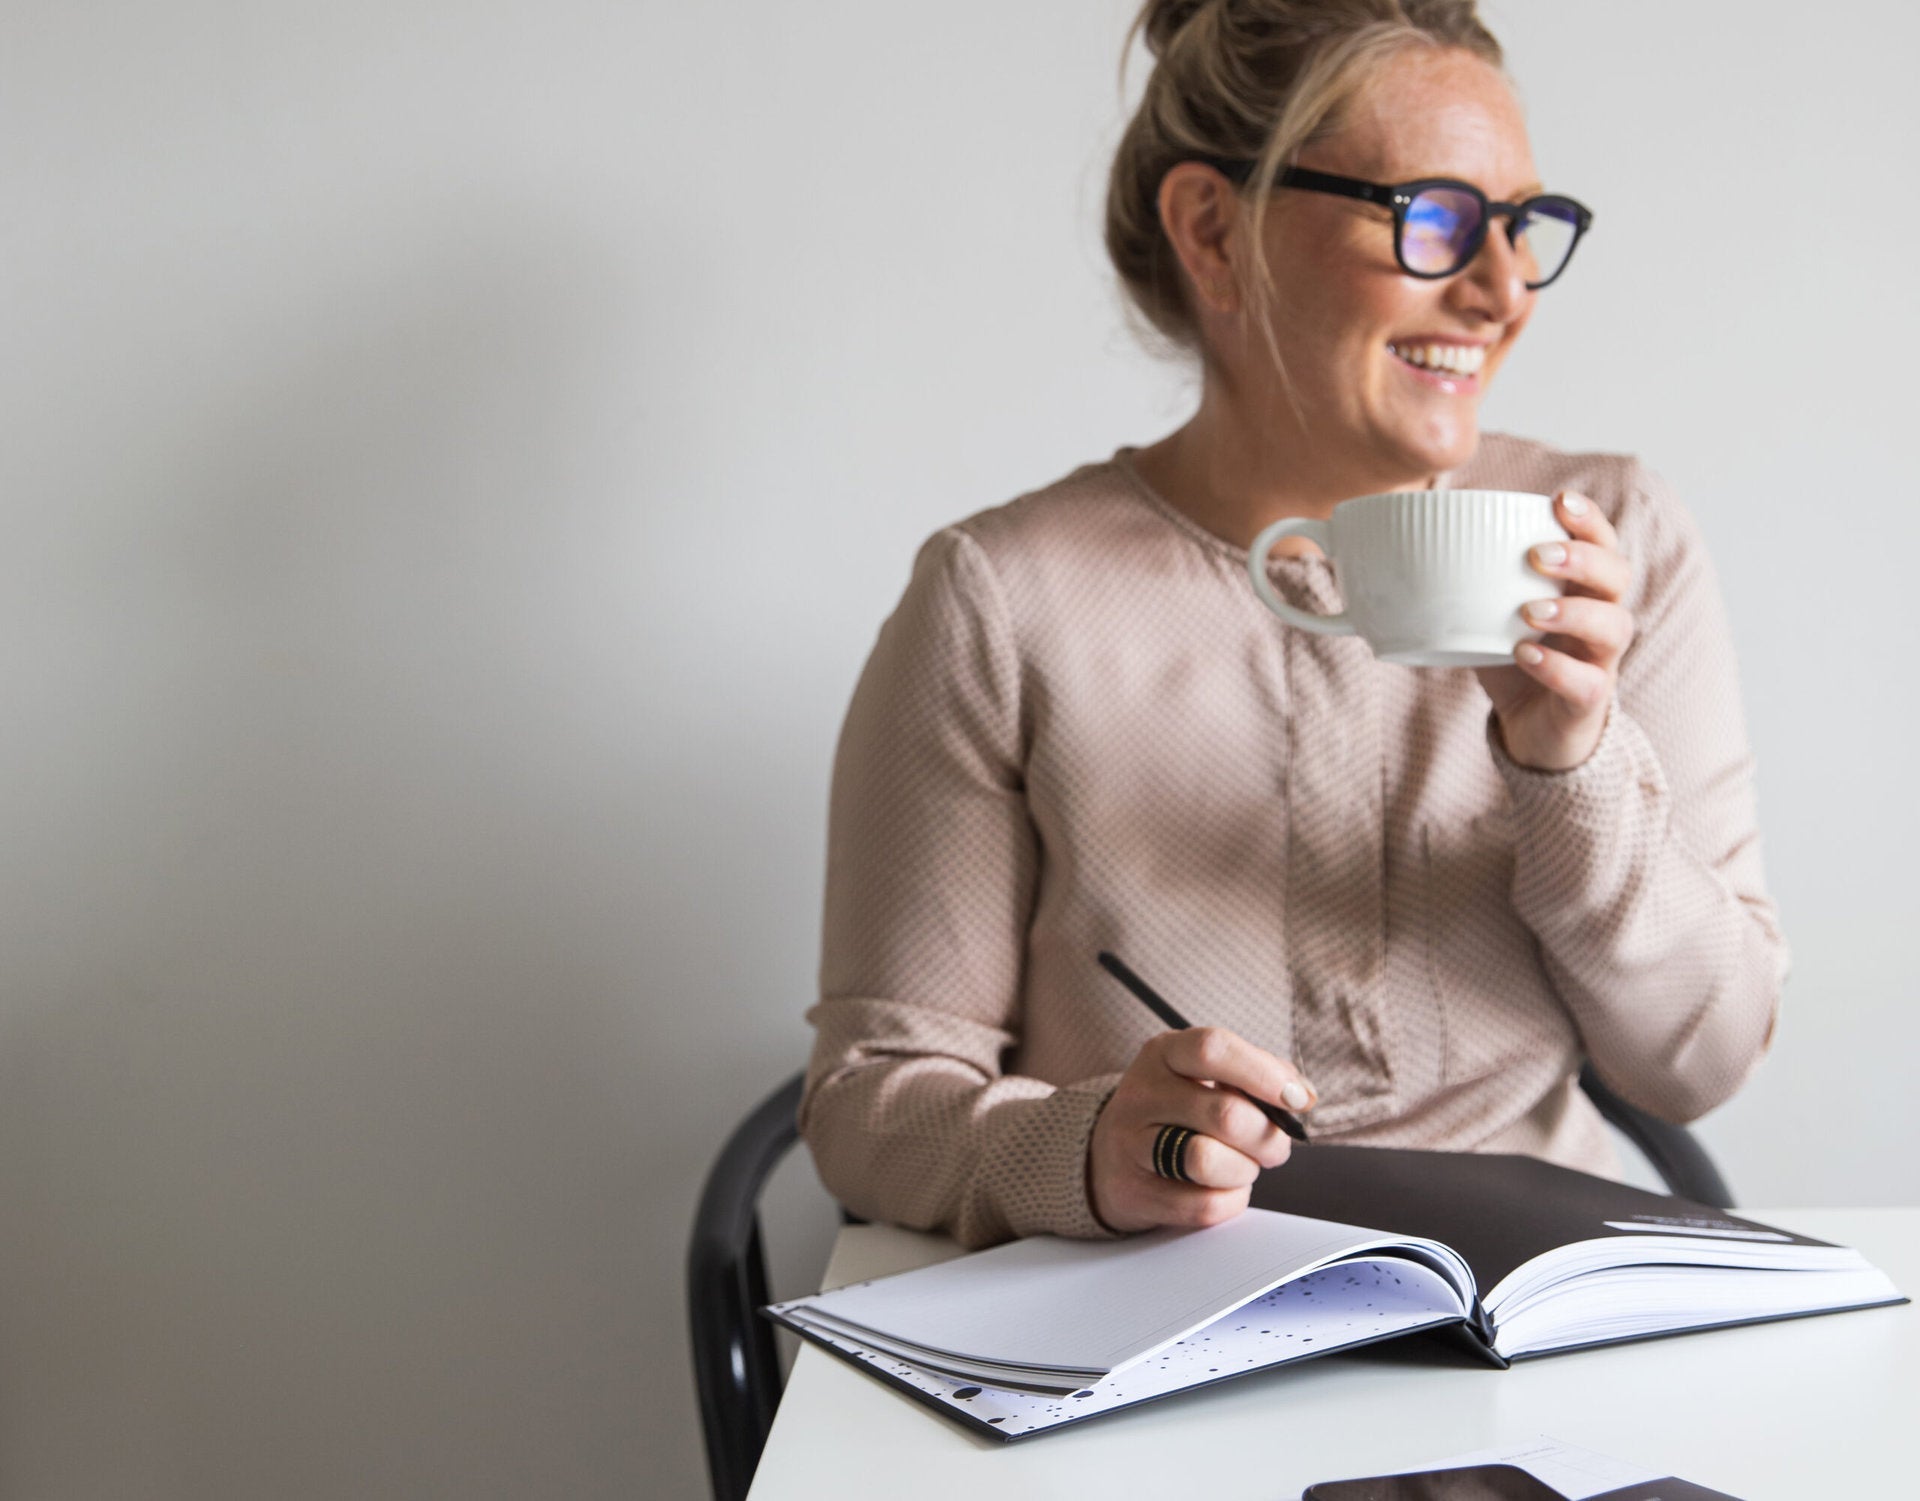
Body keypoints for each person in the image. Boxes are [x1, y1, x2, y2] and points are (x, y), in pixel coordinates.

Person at [799, 0, 1787, 1250]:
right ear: (1215, 232)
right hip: (1162, 1329)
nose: (1501, 289)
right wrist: (1085, 1149)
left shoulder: (1616, 536)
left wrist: (1571, 766)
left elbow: (1699, 1063)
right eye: (1434, 219)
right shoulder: (1003, 596)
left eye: (1524, 226)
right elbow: (869, 1094)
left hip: (1537, 1315)